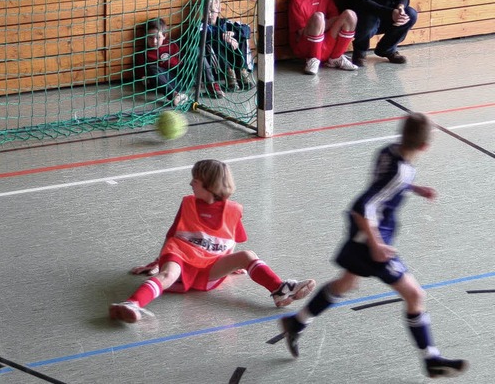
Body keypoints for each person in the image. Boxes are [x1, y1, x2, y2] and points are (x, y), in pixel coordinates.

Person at [279, 113, 468, 379]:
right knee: (415, 296)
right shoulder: (401, 170)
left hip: (364, 235)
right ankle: (431, 359)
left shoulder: (389, 152)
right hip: (372, 240)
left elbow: (386, 184)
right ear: (425, 147)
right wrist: (377, 244)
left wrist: (413, 188)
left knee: (346, 283)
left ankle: (296, 323)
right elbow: (362, 206)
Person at [110, 159, 316, 323]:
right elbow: (172, 235)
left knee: (247, 256)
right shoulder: (188, 203)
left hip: (208, 265)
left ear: (209, 186)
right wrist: (157, 262)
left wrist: (231, 264)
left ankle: (279, 290)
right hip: (180, 255)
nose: (190, 183)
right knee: (168, 274)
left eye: (195, 181)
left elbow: (231, 240)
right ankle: (132, 304)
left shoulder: (233, 210)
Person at [288, 0, 358, 75]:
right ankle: (313, 59)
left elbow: (335, 19)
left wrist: (321, 25)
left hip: (326, 42)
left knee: (350, 15)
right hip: (307, 46)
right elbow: (301, 32)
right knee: (318, 17)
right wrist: (319, 24)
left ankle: (336, 58)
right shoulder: (296, 0)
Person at [347, 0, 418, 66]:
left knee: (410, 14)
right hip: (365, 10)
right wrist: (390, 13)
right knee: (368, 22)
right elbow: (362, 1)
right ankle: (360, 51)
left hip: (388, 9)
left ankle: (387, 50)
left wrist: (400, 7)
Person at [203, 0, 256, 91]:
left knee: (242, 38)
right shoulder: (202, 26)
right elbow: (204, 36)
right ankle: (229, 74)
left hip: (233, 58)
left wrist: (234, 35)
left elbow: (246, 29)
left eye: (212, 11)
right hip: (218, 66)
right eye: (207, 11)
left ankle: (242, 71)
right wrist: (224, 37)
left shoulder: (226, 23)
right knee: (212, 42)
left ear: (219, 10)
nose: (210, 14)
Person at [135, 18, 188, 106]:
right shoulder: (143, 53)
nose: (154, 41)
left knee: (197, 53)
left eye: (158, 37)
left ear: (164, 35)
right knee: (153, 69)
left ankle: (208, 83)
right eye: (150, 37)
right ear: (145, 36)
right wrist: (143, 77)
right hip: (163, 82)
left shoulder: (172, 45)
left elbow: (182, 60)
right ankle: (174, 96)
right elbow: (141, 72)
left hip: (180, 78)